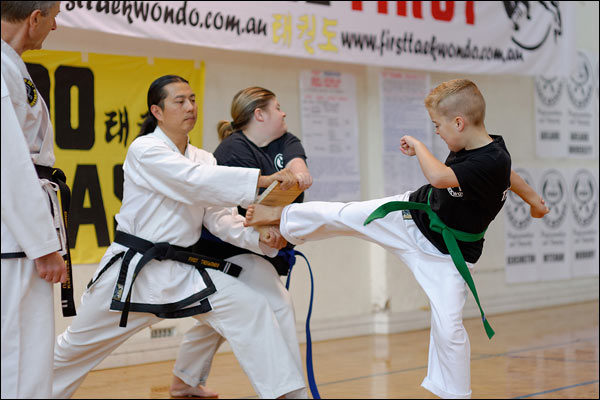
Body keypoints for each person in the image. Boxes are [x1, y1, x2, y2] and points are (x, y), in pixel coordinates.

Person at [244, 79, 550, 399]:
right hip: (410, 219)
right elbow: (509, 175)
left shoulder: (491, 158)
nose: (438, 133)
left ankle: (455, 393)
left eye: (438, 126)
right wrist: (534, 201)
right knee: (346, 215)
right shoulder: (486, 151)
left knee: (449, 325)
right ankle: (281, 218)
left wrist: (419, 146)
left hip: (449, 257)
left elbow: (441, 177)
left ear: (459, 122)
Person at [52, 75, 306, 399]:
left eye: (193, 100)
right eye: (179, 101)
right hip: (134, 273)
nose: (190, 107)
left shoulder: (203, 157)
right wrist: (265, 179)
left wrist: (259, 240)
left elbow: (219, 217)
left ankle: (289, 396)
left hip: (182, 272)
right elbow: (192, 181)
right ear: (157, 111)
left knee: (252, 307)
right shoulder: (145, 149)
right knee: (74, 349)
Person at [170, 87, 312, 398]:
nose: (284, 113)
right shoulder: (232, 151)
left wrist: (299, 175)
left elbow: (299, 167)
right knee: (277, 304)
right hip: (222, 250)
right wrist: (264, 228)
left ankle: (184, 380)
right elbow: (232, 218)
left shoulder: (285, 140)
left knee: (217, 317)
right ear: (259, 114)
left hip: (258, 244)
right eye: (277, 107)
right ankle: (292, 393)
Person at [1, 2, 67, 398]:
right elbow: (9, 164)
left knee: (28, 348)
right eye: (54, 16)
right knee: (19, 351)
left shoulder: (12, 65)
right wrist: (43, 246)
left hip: (18, 234)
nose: (56, 26)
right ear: (34, 19)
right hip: (14, 238)